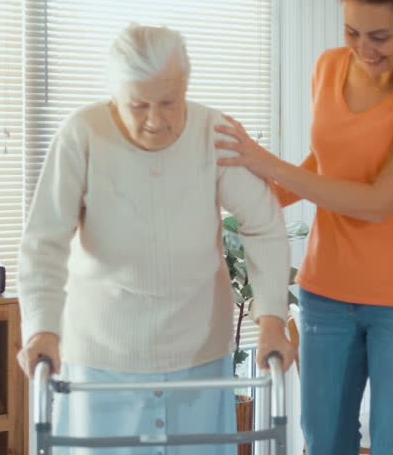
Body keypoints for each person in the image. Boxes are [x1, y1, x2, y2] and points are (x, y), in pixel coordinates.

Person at [214, 0, 393, 453]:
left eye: (380, 37)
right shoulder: (329, 68)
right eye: (352, 32)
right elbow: (326, 165)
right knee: (324, 440)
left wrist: (263, 160)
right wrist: (246, 198)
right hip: (326, 294)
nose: (364, 49)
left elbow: (377, 202)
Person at [17, 23, 297, 455]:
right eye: (138, 105)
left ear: (186, 85)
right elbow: (44, 241)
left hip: (199, 356)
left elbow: (263, 223)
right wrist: (41, 330)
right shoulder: (82, 134)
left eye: (169, 102)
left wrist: (272, 319)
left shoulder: (213, 131)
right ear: (115, 96)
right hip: (101, 360)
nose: (155, 120)